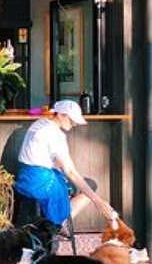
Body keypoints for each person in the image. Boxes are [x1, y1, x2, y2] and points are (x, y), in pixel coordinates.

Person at [15, 99, 117, 232]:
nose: (74, 124)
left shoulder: (39, 123)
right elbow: (70, 171)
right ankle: (60, 223)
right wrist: (97, 201)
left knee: (69, 182)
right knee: (90, 185)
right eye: (72, 120)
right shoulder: (55, 134)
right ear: (61, 115)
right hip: (39, 183)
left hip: (24, 178)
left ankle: (59, 220)